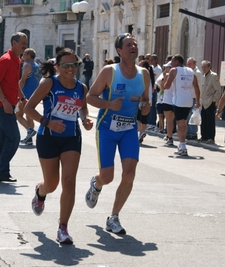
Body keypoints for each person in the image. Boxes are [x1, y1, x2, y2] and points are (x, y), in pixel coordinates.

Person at [24, 48, 93, 244]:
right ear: (57, 66)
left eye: (73, 65)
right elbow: (28, 108)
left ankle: (63, 227)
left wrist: (86, 120)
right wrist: (48, 123)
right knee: (52, 184)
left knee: (69, 181)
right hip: (48, 137)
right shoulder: (49, 83)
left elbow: (82, 110)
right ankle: (40, 192)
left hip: (71, 137)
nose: (70, 69)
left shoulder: (81, 88)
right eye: (65, 65)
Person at [85, 33, 150, 235]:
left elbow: (145, 102)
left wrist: (145, 108)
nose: (133, 47)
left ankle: (113, 217)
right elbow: (90, 97)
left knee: (129, 174)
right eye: (128, 44)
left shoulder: (144, 74)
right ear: (120, 51)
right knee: (107, 176)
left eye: (135, 44)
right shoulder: (109, 72)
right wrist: (108, 104)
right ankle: (96, 184)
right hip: (106, 128)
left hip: (129, 128)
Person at [0, 32, 27, 183]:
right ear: (13, 43)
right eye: (22, 42)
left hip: (9, 104)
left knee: (2, 139)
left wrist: (21, 97)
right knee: (14, 138)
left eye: (26, 43)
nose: (25, 46)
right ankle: (2, 171)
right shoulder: (6, 60)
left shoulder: (16, 60)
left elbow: (14, 82)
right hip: (3, 106)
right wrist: (4, 101)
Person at [164, 54, 200, 156]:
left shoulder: (174, 70)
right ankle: (181, 144)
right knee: (183, 123)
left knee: (180, 124)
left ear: (177, 62)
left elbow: (167, 85)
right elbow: (196, 87)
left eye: (172, 61)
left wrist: (166, 80)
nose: (171, 63)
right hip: (189, 101)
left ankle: (183, 147)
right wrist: (198, 101)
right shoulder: (190, 71)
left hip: (178, 100)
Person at [17, 48, 41, 145]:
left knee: (18, 115)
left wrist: (18, 92)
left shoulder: (27, 66)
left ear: (29, 56)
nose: (22, 56)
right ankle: (29, 139)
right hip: (34, 95)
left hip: (25, 94)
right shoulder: (38, 67)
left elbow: (23, 81)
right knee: (29, 116)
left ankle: (29, 130)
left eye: (24, 54)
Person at [199, 60, 221, 143]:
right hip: (203, 101)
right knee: (203, 120)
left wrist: (213, 100)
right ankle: (203, 136)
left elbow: (218, 91)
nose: (203, 68)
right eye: (202, 67)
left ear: (209, 67)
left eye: (205, 67)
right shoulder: (203, 76)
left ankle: (210, 137)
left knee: (210, 121)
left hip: (210, 101)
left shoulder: (213, 76)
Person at [137, 60, 154, 143]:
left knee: (138, 117)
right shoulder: (150, 76)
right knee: (144, 117)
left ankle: (141, 132)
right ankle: (142, 132)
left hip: (141, 98)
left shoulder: (142, 75)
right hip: (149, 99)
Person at [157, 61, 175, 145]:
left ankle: (170, 137)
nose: (166, 69)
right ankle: (169, 136)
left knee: (169, 120)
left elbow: (162, 87)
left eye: (167, 67)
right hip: (171, 100)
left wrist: (165, 78)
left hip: (170, 100)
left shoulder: (170, 76)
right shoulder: (175, 75)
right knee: (170, 120)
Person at [185, 57, 202, 140]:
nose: (188, 65)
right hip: (189, 96)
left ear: (195, 64)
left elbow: (195, 85)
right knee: (188, 116)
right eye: (187, 64)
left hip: (194, 96)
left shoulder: (197, 73)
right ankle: (188, 132)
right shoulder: (189, 72)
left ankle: (193, 133)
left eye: (190, 64)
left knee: (193, 116)